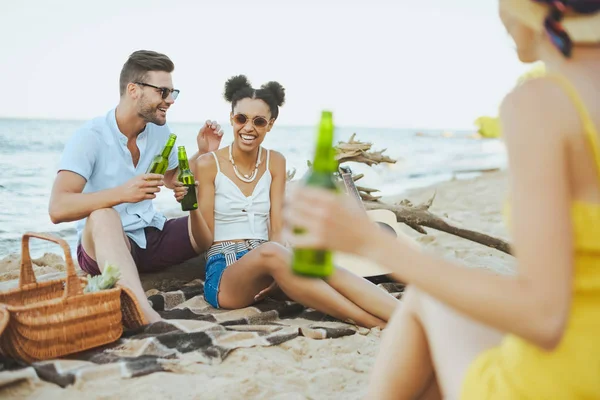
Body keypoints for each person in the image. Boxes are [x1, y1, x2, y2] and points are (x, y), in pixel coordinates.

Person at [284, 0, 600, 398]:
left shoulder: (543, 102)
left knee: (424, 300)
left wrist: (371, 242)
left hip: (564, 381)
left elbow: (543, 314)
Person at [187, 75, 399, 328]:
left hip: (271, 260)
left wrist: (279, 267)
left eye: (259, 121)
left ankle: (407, 316)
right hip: (226, 274)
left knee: (318, 266)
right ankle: (373, 322)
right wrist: (191, 209)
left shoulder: (275, 161)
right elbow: (203, 242)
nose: (248, 127)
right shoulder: (207, 164)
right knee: (273, 251)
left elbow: (276, 226)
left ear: (270, 124)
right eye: (241, 118)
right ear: (232, 118)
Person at [49, 50, 223, 323]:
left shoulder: (158, 130)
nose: (170, 101)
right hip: (103, 245)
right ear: (134, 90)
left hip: (150, 236)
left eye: (173, 92)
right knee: (104, 215)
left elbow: (171, 178)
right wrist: (122, 194)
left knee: (213, 208)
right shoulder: (90, 137)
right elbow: (58, 208)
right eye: (163, 92)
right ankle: (144, 313)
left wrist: (202, 153)